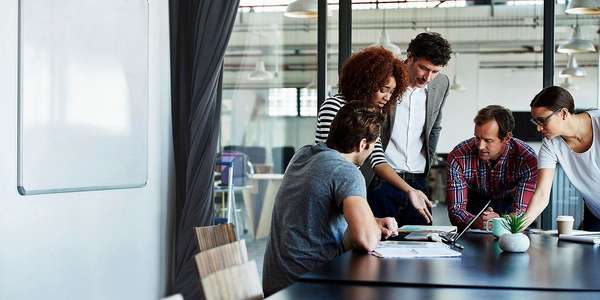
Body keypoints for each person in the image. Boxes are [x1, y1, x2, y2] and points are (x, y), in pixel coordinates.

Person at [264, 101, 399, 296]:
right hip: (309, 286)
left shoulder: (303, 155)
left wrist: (373, 222)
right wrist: (371, 228)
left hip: (276, 285)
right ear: (363, 144)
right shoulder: (346, 172)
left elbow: (315, 215)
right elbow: (366, 240)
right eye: (372, 146)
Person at [363, 32, 452, 226]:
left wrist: (427, 165)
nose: (428, 77)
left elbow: (435, 126)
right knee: (378, 246)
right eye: (424, 68)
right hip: (381, 181)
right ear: (409, 57)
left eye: (435, 71)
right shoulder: (386, 82)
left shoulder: (441, 84)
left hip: (418, 181)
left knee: (422, 248)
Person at [446, 105, 538, 230]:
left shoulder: (526, 158)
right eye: (477, 138)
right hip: (474, 210)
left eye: (488, 140)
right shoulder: (459, 156)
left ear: (507, 138)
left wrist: (500, 221)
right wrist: (476, 222)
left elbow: (522, 211)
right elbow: (456, 210)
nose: (480, 146)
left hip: (510, 207)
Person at [523, 86, 600, 230]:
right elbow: (541, 195)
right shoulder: (550, 144)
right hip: (595, 213)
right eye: (536, 122)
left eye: (542, 121)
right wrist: (516, 228)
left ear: (563, 113)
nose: (539, 128)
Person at [315, 46, 408, 143]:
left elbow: (375, 151)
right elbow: (331, 151)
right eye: (383, 89)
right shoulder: (334, 105)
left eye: (392, 92)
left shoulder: (372, 113)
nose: (388, 97)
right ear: (366, 84)